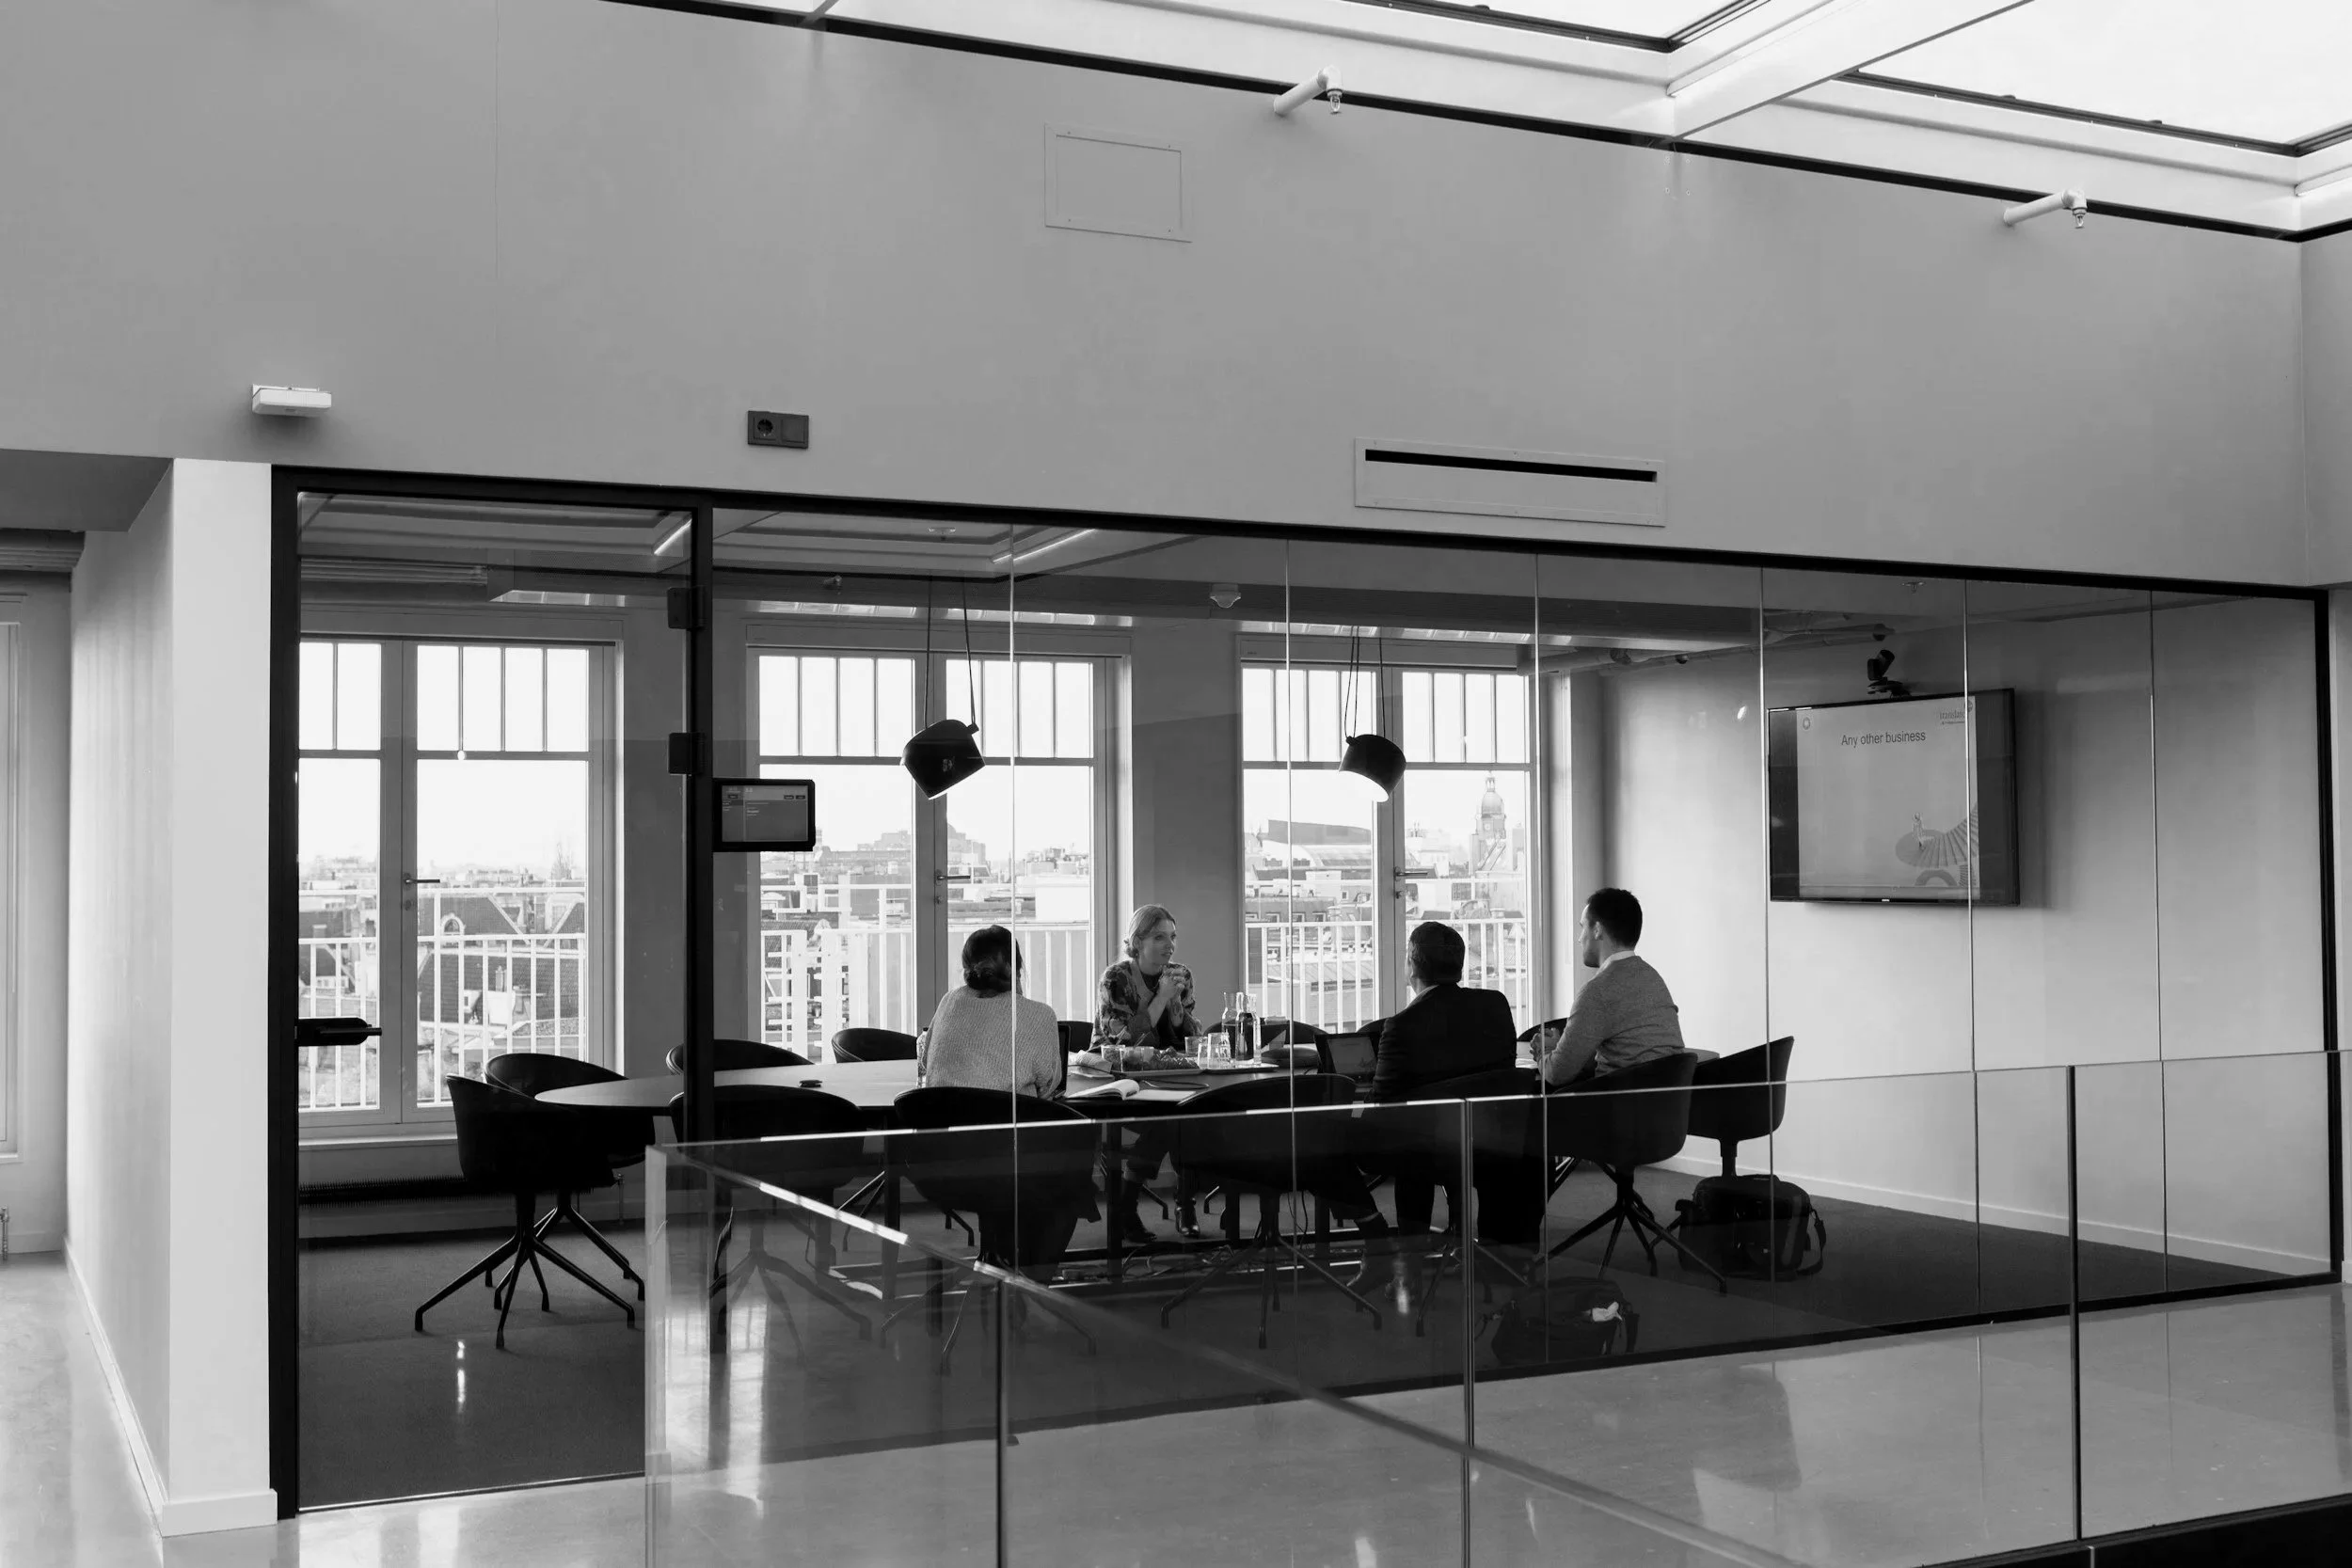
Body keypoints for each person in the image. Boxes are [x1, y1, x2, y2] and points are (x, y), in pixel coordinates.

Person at [1356, 922, 1521, 1294]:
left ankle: (1395, 1256)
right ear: (1459, 967)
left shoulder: (1402, 1025)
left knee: (1396, 1139)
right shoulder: (1495, 1005)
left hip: (1428, 1153)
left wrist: (1353, 1105)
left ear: (1412, 967)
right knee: (1422, 1133)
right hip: (1490, 1144)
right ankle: (1463, 1248)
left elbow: (1382, 1107)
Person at [1089, 905, 1203, 1242]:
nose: (1169, 945)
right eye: (1159, 937)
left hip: (1167, 1075)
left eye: (1173, 936)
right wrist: (1161, 998)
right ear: (1137, 942)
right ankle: (1143, 1203)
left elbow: (1189, 1038)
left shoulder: (1180, 973)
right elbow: (1125, 1040)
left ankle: (1166, 1204)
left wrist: (1177, 1008)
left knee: (1191, 1114)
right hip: (1119, 1078)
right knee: (1173, 1120)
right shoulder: (1116, 979)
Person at [1538, 887, 1686, 1087]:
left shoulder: (1597, 992)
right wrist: (1563, 1048)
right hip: (1665, 1111)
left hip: (1615, 1112)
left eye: (1583, 927)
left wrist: (1543, 1053)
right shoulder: (1653, 979)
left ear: (1597, 930)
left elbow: (1557, 1073)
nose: (1580, 938)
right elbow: (1630, 1049)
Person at [918, 926, 1062, 1101]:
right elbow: (1048, 1086)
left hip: (946, 1122)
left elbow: (926, 1062)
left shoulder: (949, 1001)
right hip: (1010, 1124)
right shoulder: (1041, 1015)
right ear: (1016, 968)